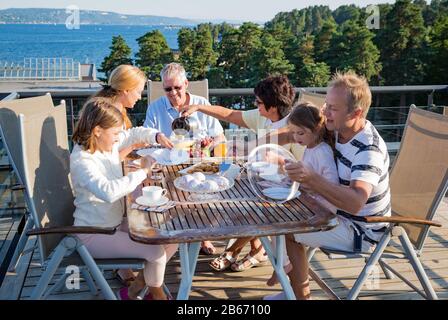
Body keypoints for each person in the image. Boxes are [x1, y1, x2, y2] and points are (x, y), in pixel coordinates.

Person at [266, 71, 391, 300]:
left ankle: (299, 296)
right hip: (334, 210)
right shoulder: (337, 131)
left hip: (360, 230)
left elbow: (355, 202)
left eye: (332, 108)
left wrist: (311, 179)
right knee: (274, 211)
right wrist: (255, 142)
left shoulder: (368, 150)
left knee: (286, 230)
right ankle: (293, 290)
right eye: (326, 105)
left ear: (356, 113)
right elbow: (294, 134)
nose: (324, 112)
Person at [181, 75, 305, 272]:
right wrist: (198, 107)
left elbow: (301, 171)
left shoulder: (295, 128)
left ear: (272, 107)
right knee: (222, 193)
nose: (255, 105)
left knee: (239, 210)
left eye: (258, 102)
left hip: (286, 195)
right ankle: (258, 251)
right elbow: (229, 114)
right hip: (259, 182)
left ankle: (238, 252)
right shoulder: (262, 116)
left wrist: (253, 153)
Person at [71, 97, 178, 300]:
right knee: (156, 254)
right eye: (115, 133)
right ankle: (157, 296)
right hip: (93, 234)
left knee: (172, 237)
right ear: (97, 130)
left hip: (115, 223)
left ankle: (133, 291)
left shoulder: (105, 142)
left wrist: (156, 135)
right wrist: (143, 171)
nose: (119, 138)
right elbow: (109, 191)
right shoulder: (82, 160)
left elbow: (134, 133)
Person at [144, 62, 224, 255]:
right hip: (168, 167)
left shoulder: (201, 104)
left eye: (177, 87)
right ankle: (177, 235)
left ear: (186, 84)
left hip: (199, 163)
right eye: (168, 89)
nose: (173, 93)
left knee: (202, 188)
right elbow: (147, 140)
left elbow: (220, 137)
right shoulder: (156, 108)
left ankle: (202, 236)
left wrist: (209, 143)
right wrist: (159, 141)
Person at [266, 102, 339, 287]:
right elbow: (305, 174)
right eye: (294, 133)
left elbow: (331, 185)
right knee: (271, 219)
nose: (296, 138)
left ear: (316, 129)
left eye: (301, 133)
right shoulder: (311, 147)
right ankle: (283, 271)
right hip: (311, 202)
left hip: (322, 210)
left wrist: (307, 185)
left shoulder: (322, 152)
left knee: (276, 225)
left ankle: (284, 269)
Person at [94, 64, 173, 161]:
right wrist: (133, 147)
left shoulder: (116, 109)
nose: (140, 97)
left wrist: (157, 136)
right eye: (138, 92)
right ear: (126, 90)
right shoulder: (107, 117)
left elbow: (131, 134)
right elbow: (108, 160)